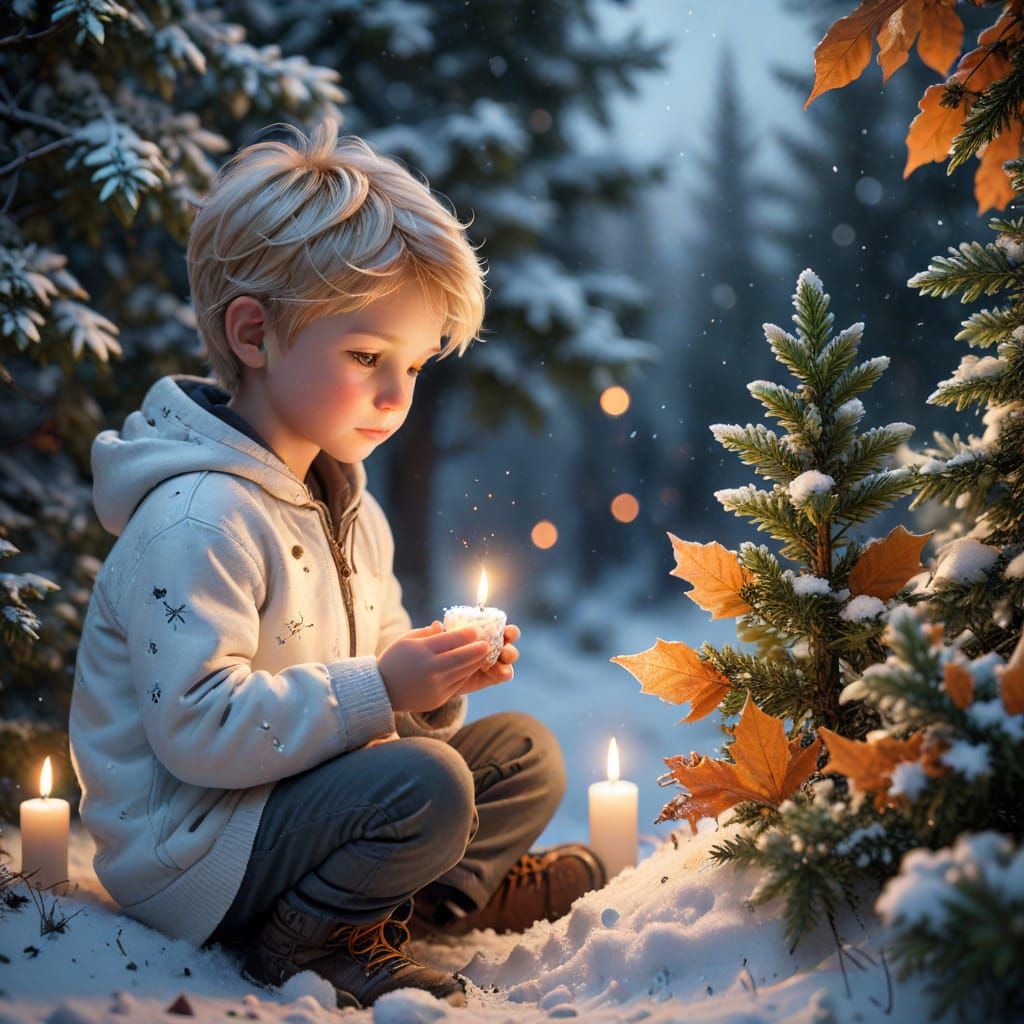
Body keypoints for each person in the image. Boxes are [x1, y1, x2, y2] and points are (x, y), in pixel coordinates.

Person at [68, 120, 605, 1010]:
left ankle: (400, 896)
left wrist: (432, 680)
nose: (396, 395)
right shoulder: (198, 518)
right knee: (430, 784)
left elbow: (379, 666)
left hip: (302, 806)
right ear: (254, 334)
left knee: (523, 754)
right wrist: (381, 689)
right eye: (366, 357)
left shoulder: (347, 504)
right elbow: (198, 730)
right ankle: (309, 938)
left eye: (415, 365)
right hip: (198, 853)